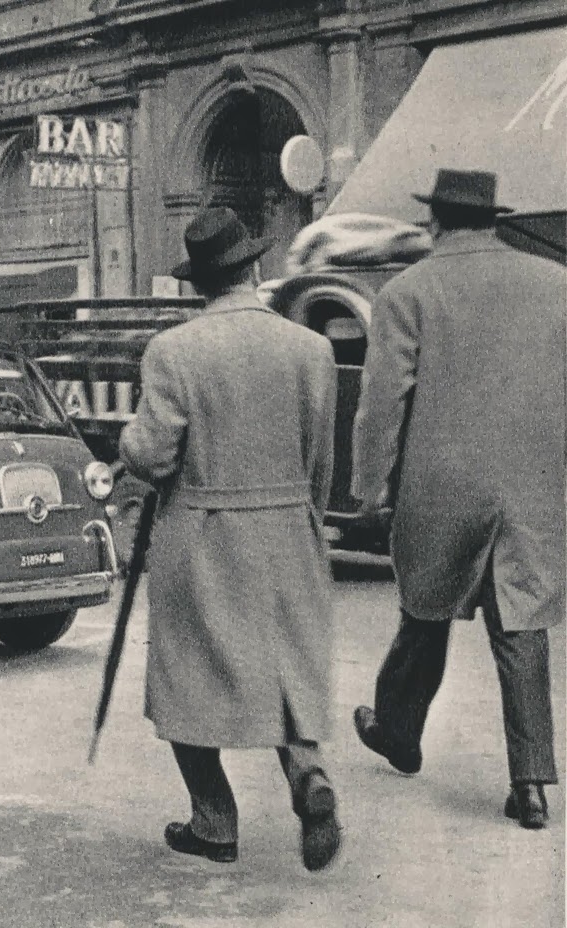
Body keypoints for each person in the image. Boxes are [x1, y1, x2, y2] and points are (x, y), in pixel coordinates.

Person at [118, 206, 341, 871]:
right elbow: (322, 460)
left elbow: (154, 456)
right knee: (286, 669)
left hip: (203, 532)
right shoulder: (312, 350)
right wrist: (305, 520)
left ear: (199, 282)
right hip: (289, 525)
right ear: (255, 266)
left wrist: (126, 445)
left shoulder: (174, 350)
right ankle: (309, 776)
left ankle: (214, 818)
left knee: (187, 677)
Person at [350, 169, 566, 829]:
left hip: (442, 487)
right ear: (492, 220)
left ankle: (397, 729)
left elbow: (382, 403)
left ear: (435, 221)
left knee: (425, 609)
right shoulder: (557, 284)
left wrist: (368, 487)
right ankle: (530, 785)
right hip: (534, 485)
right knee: (520, 626)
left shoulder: (407, 292)